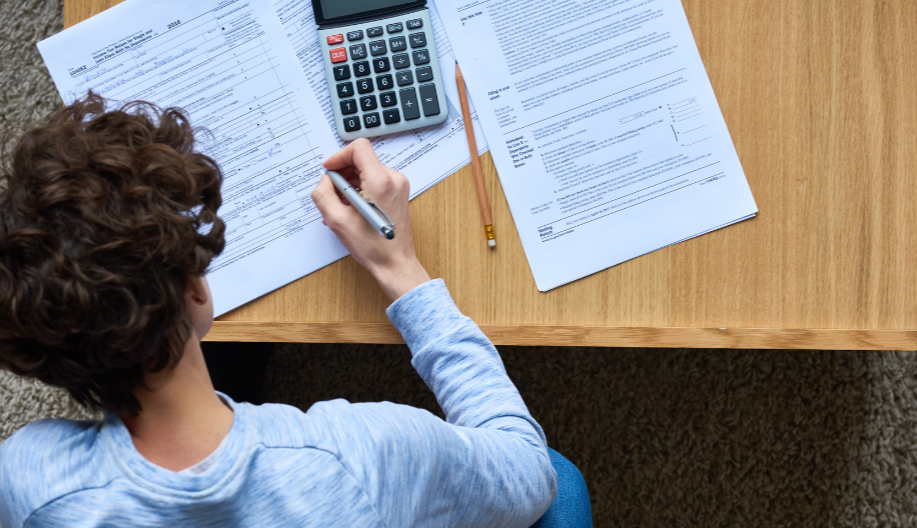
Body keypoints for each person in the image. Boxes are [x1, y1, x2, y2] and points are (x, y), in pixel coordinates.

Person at [0, 95, 557, 527]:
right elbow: (526, 469)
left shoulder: (30, 482)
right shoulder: (361, 454)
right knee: (568, 484)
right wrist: (402, 270)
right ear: (194, 290)